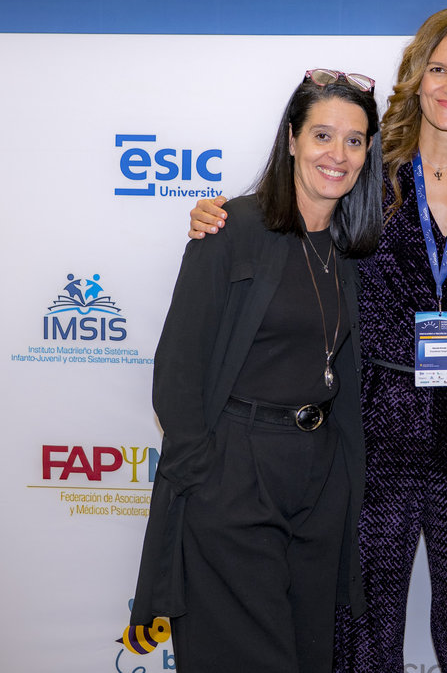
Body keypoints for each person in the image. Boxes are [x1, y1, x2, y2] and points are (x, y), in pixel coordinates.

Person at [188, 8, 447, 671]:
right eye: (438, 68)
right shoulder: (368, 167)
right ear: (415, 77)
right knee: (362, 630)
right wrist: (223, 215)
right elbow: (292, 219)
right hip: (375, 426)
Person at [130, 69, 384, 672]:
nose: (338, 154)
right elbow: (179, 367)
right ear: (292, 139)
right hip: (236, 475)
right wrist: (204, 476)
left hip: (319, 480)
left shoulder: (351, 246)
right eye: (322, 135)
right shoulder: (232, 229)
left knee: (305, 658)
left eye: (354, 140)